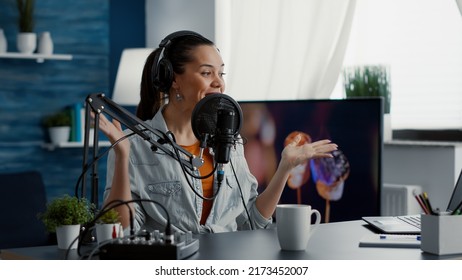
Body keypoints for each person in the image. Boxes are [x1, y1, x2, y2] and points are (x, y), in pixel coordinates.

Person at [96, 30, 338, 234]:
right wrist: (123, 156)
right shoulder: (134, 146)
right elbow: (121, 232)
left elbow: (252, 222)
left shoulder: (231, 142)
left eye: (221, 73)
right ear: (173, 79)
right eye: (206, 73)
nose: (219, 83)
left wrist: (285, 167)